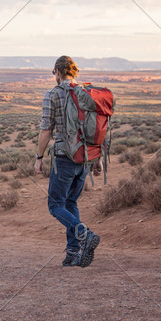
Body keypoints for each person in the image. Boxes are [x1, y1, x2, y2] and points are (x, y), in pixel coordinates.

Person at [33, 56, 101, 268]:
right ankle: (73, 252)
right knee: (71, 203)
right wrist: (96, 158)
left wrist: (39, 158)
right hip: (84, 157)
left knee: (55, 206)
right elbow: (96, 128)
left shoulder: (53, 95)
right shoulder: (86, 93)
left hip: (64, 157)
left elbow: (46, 130)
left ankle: (84, 233)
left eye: (54, 73)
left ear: (58, 71)